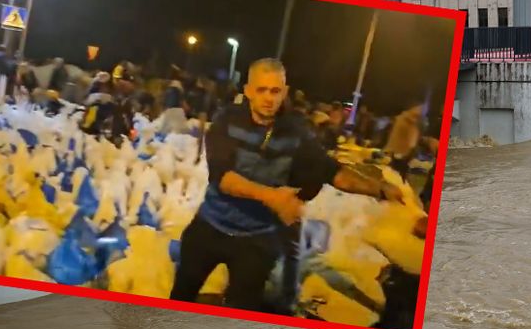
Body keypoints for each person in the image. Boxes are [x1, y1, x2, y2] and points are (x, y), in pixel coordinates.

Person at [169, 58, 406, 311]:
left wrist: (379, 188)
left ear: (285, 92)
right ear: (248, 90)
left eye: (275, 91)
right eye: (261, 90)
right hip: (210, 228)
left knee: (242, 311)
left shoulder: (296, 131)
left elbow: (330, 171)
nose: (268, 98)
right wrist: (273, 198)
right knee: (181, 295)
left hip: (256, 240)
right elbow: (223, 177)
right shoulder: (227, 120)